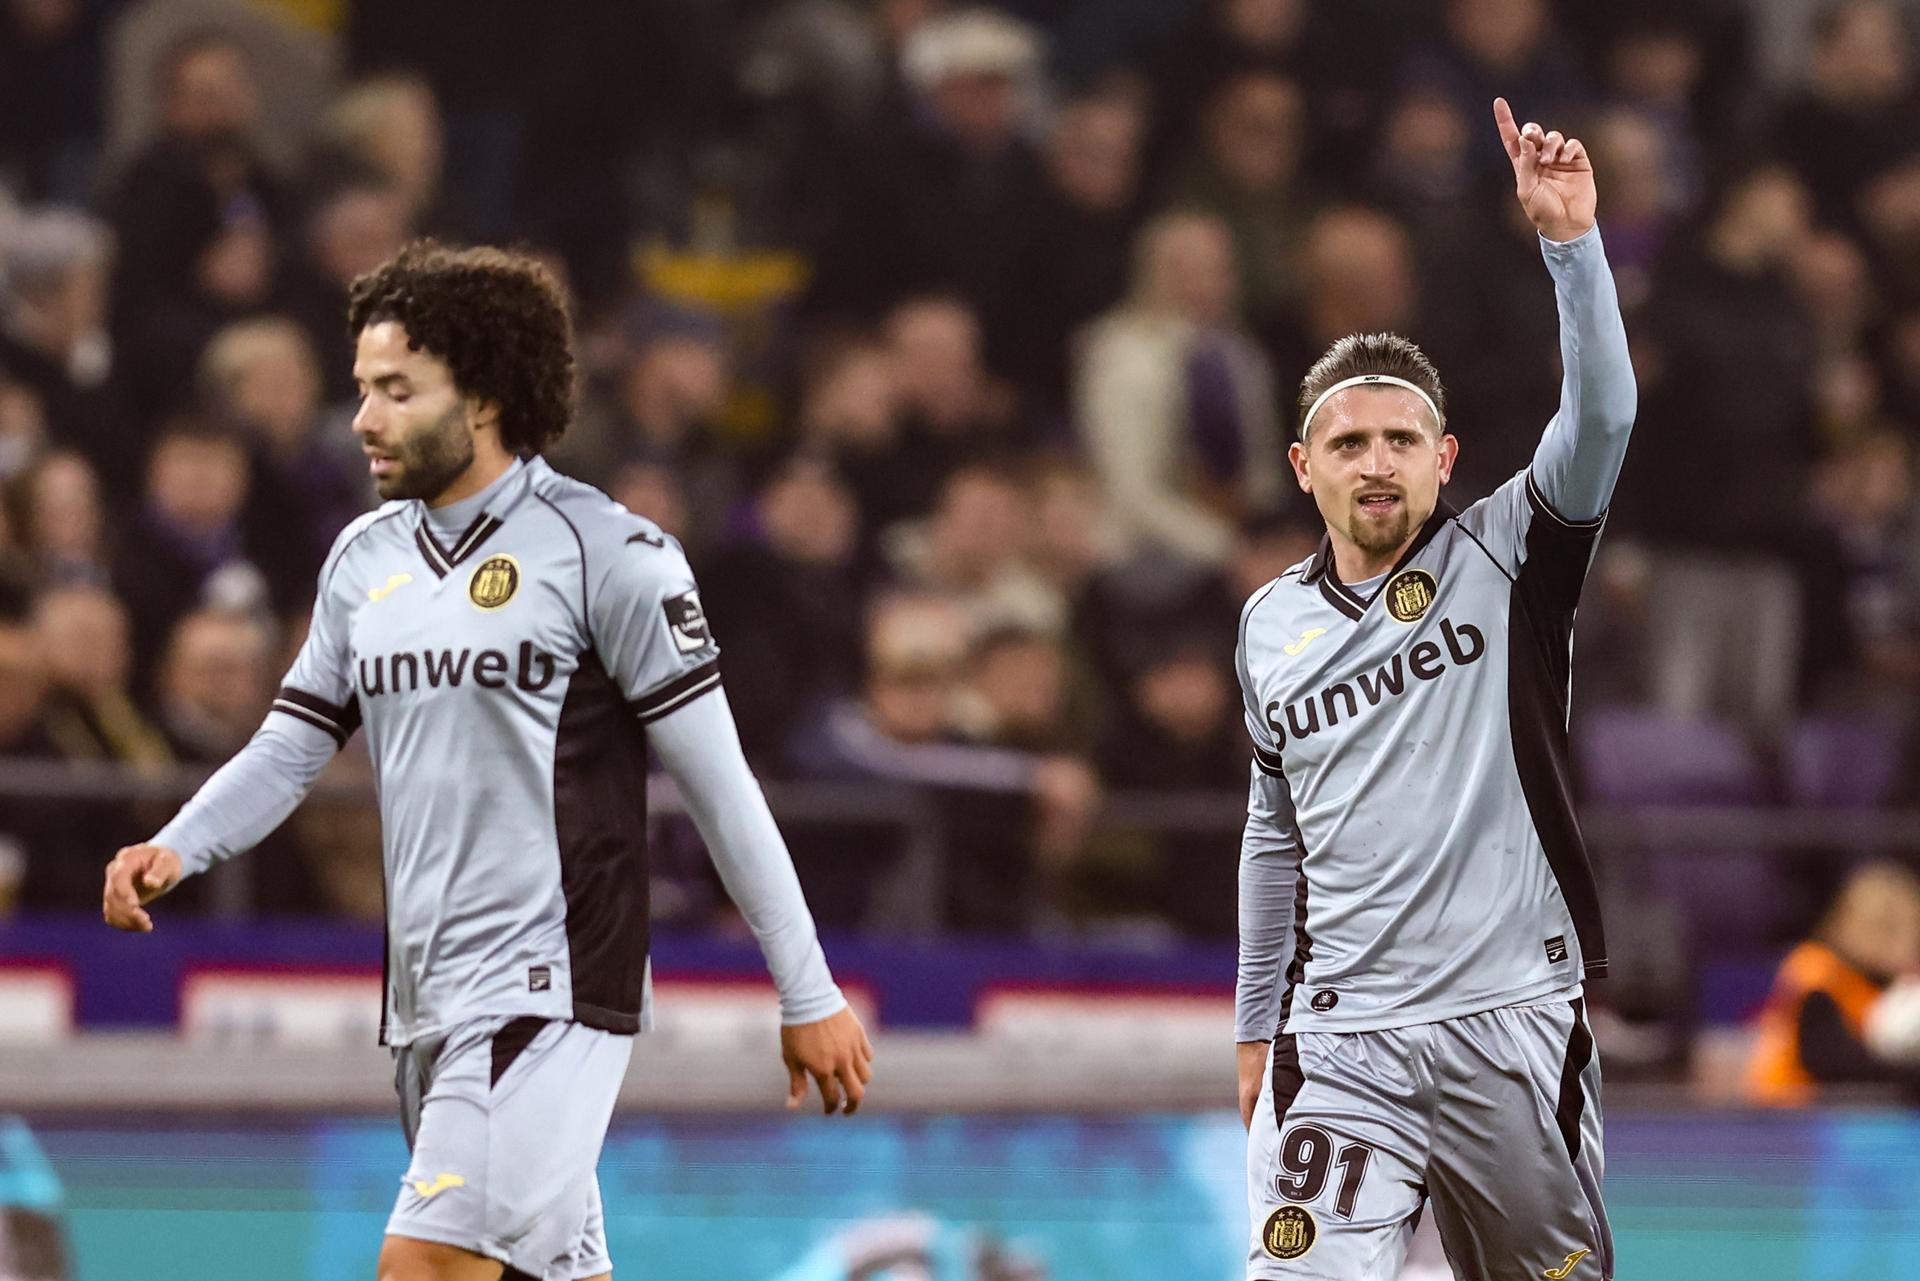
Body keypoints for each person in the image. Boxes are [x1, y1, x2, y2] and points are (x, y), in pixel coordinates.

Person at [99, 241, 873, 1281]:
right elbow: (292, 745)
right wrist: (178, 845)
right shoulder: (362, 560)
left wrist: (808, 989)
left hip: (551, 987)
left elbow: (720, 782)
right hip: (425, 996)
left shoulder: (611, 554)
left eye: (396, 390)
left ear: (485, 397)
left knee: (422, 1268)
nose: (364, 418)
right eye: (361, 388)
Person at [1234, 101, 1634, 1279]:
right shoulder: (1269, 624)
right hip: (1342, 1037)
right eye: (1348, 442)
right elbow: (1273, 835)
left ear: (1445, 460)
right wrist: (1258, 1024)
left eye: (1402, 440)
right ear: (1304, 467)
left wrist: (1571, 243)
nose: (1376, 461)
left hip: (1507, 1017)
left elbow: (1604, 414)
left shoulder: (1510, 555)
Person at [1744, 861, 1920, 1106]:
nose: (1908, 944)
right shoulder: (1816, 971)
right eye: (1893, 930)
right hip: (1789, 1120)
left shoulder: (1888, 985)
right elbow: (1831, 1062)